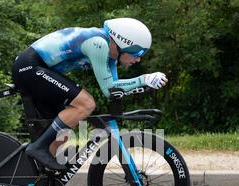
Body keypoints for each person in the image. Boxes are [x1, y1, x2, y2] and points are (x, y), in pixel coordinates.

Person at [12, 17, 168, 171]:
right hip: (29, 67)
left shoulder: (110, 56)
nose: (138, 59)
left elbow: (112, 90)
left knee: (60, 136)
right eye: (137, 53)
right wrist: (144, 79)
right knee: (86, 103)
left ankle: (41, 182)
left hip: (37, 70)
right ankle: (38, 148)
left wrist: (143, 84)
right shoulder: (98, 44)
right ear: (123, 44)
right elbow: (108, 88)